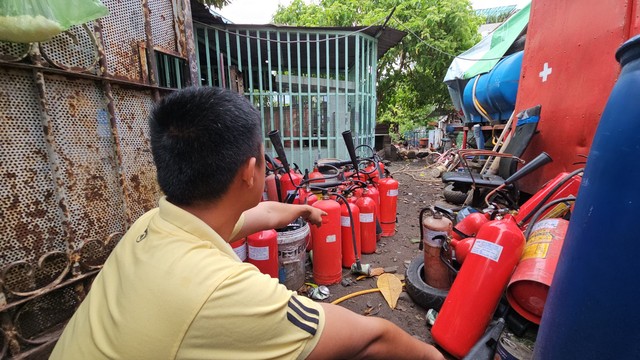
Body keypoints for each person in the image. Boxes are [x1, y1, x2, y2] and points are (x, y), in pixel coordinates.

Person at [51, 86, 444, 360]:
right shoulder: (225, 290)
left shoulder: (153, 223)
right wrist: (430, 354)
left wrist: (303, 210)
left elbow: (260, 215)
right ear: (250, 170)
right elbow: (372, 340)